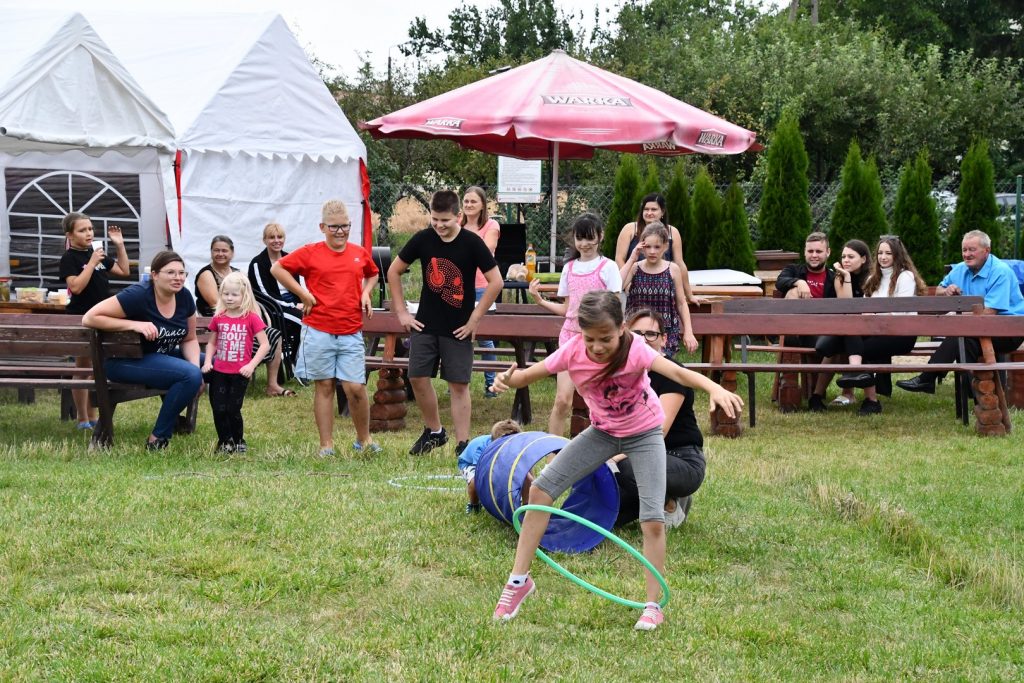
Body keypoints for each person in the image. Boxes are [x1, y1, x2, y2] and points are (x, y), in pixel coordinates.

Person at [489, 290, 743, 631]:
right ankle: (519, 583)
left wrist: (714, 388)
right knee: (541, 491)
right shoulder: (574, 352)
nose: (596, 346)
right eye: (590, 338)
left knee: (651, 519)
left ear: (622, 329)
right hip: (602, 433)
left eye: (605, 338)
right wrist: (508, 379)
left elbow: (677, 373)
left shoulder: (634, 349)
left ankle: (653, 604)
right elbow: (528, 375)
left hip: (645, 434)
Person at [386, 190, 503, 456]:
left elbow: (496, 282)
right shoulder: (423, 239)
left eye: (445, 220)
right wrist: (402, 313)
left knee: (458, 384)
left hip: (458, 327)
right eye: (435, 219)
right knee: (416, 377)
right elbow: (394, 271)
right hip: (425, 323)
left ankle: (463, 444)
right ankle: (434, 432)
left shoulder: (472, 243)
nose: (439, 225)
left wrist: (475, 319)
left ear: (458, 216)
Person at [271, 199, 381, 456]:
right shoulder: (311, 252)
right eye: (334, 227)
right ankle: (326, 446)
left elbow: (373, 273)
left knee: (356, 387)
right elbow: (278, 268)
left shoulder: (358, 252)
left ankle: (364, 440)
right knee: (325, 386)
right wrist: (303, 294)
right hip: (318, 329)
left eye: (345, 226)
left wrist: (366, 293)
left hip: (351, 330)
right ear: (322, 227)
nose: (340, 231)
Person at [82, 251, 202, 450]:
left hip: (159, 356)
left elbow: (190, 339)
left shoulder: (184, 297)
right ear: (154, 275)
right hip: (124, 361)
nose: (178, 277)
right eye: (171, 272)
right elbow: (89, 318)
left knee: (212, 366)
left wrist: (197, 367)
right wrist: (134, 324)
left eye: (182, 273)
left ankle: (228, 436)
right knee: (189, 375)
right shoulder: (138, 295)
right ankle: (158, 438)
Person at [897, 230, 1024, 394]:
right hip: (976, 329)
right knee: (963, 340)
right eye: (964, 250)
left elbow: (988, 313)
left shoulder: (1001, 272)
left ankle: (927, 379)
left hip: (1009, 330)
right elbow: (938, 290)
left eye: (972, 250)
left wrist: (956, 318)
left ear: (987, 251)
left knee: (961, 336)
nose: (967, 254)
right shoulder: (960, 269)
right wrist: (947, 290)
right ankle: (973, 393)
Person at [528, 213, 621, 436]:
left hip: (597, 341)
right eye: (580, 238)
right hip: (570, 338)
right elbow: (567, 310)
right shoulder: (569, 268)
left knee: (601, 403)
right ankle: (553, 457)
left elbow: (615, 306)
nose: (585, 244)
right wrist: (541, 301)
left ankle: (609, 454)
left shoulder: (608, 267)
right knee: (562, 401)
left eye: (590, 238)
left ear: (600, 237)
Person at [612, 309, 706, 529]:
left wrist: (613, 459)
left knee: (627, 468)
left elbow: (657, 432)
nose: (643, 339)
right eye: (637, 333)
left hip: (681, 459)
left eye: (651, 334)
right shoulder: (624, 373)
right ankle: (667, 496)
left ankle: (670, 502)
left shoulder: (672, 373)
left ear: (664, 339)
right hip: (639, 454)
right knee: (611, 513)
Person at [830, 236, 927, 415]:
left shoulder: (906, 277)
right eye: (880, 253)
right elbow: (865, 310)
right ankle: (866, 391)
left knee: (859, 348)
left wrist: (872, 316)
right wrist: (869, 316)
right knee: (852, 332)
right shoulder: (873, 279)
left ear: (897, 255)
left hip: (901, 334)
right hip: (875, 330)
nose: (883, 257)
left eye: (888, 253)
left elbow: (898, 313)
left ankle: (856, 373)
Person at [59, 212, 130, 429]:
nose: (89, 233)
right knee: (83, 367)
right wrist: (91, 263)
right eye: (82, 230)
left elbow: (124, 271)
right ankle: (83, 418)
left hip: (101, 317)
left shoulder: (96, 253)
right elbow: (76, 287)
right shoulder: (69, 258)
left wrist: (119, 245)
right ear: (70, 235)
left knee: (94, 368)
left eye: (90, 228)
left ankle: (91, 415)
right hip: (80, 318)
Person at [197, 235, 291, 397]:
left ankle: (272, 384)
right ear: (211, 252)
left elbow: (250, 299)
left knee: (274, 335)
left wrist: (254, 320)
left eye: (224, 250)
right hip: (218, 323)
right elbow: (216, 303)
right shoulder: (206, 274)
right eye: (216, 250)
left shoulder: (238, 273)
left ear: (232, 253)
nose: (220, 253)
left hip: (242, 319)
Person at [201, 272, 271, 453]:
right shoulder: (219, 317)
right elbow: (212, 342)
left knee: (233, 408)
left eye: (234, 294)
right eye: (225, 294)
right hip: (219, 372)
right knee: (218, 408)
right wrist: (208, 361)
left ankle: (238, 440)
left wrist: (251, 365)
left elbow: (265, 345)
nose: (229, 298)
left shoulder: (251, 318)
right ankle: (225, 441)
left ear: (244, 295)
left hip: (240, 373)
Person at [808, 239, 871, 410]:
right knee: (839, 343)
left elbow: (852, 310)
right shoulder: (839, 277)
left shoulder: (872, 278)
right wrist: (847, 277)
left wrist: (848, 277)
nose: (846, 260)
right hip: (844, 327)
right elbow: (846, 305)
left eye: (851, 256)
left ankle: (819, 395)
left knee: (836, 347)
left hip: (866, 329)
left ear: (863, 259)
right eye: (843, 256)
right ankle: (819, 397)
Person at [621, 222, 698, 357]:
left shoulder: (672, 269)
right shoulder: (635, 268)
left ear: (665, 247)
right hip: (637, 332)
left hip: (664, 334)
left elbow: (681, 302)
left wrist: (688, 331)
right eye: (648, 246)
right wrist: (632, 258)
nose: (652, 251)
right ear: (641, 247)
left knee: (662, 373)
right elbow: (617, 286)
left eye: (657, 247)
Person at [613, 193, 700, 306]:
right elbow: (619, 258)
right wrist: (628, 284)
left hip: (663, 289)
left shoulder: (672, 232)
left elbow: (680, 263)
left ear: (662, 212)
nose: (649, 213)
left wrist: (690, 295)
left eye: (654, 209)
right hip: (634, 287)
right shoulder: (629, 229)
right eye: (646, 209)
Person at [461, 187, 501, 398]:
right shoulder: (457, 224)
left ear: (483, 205)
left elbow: (486, 250)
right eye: (466, 201)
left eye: (473, 202)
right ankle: (458, 380)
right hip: (458, 288)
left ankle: (491, 384)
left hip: (481, 288)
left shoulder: (491, 225)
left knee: (483, 338)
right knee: (457, 336)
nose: (468, 205)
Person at [248, 222, 304, 372]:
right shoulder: (258, 263)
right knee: (304, 322)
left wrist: (303, 302)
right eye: (271, 237)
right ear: (264, 240)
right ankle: (295, 362)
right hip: (272, 308)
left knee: (316, 319)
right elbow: (264, 294)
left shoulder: (290, 258)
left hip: (293, 304)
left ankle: (302, 361)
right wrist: (292, 306)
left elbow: (297, 286)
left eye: (280, 237)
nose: (276, 240)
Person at [458, 419, 522, 513]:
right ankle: (474, 504)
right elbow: (481, 472)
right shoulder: (482, 448)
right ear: (494, 443)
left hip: (492, 462)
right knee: (475, 481)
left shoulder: (515, 446)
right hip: (470, 464)